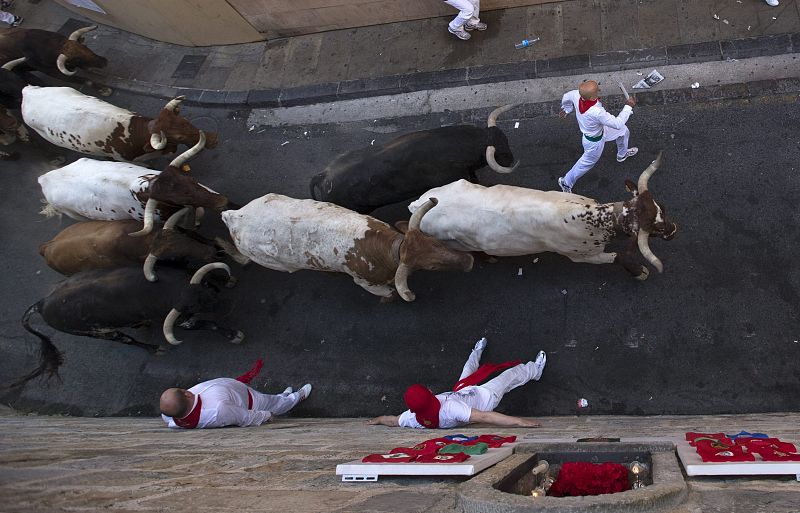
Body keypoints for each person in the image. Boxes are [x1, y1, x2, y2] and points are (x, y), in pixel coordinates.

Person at [368, 338, 546, 429]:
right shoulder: (451, 409)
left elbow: (391, 420)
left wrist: (376, 420)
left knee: (468, 368)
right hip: (485, 397)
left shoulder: (412, 418)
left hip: (461, 392)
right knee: (511, 375)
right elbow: (485, 417)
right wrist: (519, 422)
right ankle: (535, 371)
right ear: (430, 393)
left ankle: (476, 351)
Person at [160, 359, 312, 429]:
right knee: (275, 404)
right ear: (186, 395)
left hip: (236, 389)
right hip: (251, 401)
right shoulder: (218, 410)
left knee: (274, 399)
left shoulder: (170, 415)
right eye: (180, 390)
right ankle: (295, 398)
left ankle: (282, 396)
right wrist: (266, 415)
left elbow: (170, 420)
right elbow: (244, 417)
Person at [557, 80, 638, 194]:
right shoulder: (596, 112)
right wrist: (628, 106)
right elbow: (617, 123)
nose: (599, 90)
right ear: (591, 97)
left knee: (623, 131)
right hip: (595, 142)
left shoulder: (576, 94)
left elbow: (566, 97)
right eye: (597, 90)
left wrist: (567, 109)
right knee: (585, 164)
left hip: (599, 130)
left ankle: (622, 154)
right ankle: (566, 182)